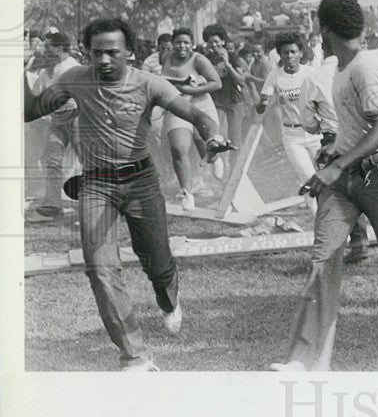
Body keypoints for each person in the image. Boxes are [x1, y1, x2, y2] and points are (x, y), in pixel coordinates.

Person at [24, 18, 230, 371]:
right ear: (86, 54)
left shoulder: (150, 84)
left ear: (130, 53)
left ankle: (169, 302)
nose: (103, 60)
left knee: (157, 260)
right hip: (95, 185)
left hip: (141, 182)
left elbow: (196, 114)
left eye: (112, 53)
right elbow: (31, 111)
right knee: (100, 267)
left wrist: (212, 137)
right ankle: (135, 355)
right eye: (96, 53)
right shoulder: (74, 79)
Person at [271, 0, 378, 370]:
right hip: (345, 175)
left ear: (325, 28)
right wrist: (333, 152)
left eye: (316, 26)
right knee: (323, 257)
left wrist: (338, 166)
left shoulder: (366, 66)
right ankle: (305, 357)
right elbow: (354, 130)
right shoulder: (341, 67)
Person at [300, 37, 370, 266]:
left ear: (322, 49)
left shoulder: (314, 77)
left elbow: (308, 122)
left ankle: (333, 250)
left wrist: (322, 123)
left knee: (332, 197)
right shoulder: (360, 70)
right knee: (361, 189)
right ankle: (360, 244)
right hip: (363, 138)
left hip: (333, 142)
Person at [255, 32, 321, 214]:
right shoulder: (275, 76)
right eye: (285, 53)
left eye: (293, 52)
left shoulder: (312, 74)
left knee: (327, 175)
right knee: (308, 178)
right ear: (280, 55)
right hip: (292, 135)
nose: (289, 56)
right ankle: (318, 219)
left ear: (300, 53)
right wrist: (262, 103)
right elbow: (262, 105)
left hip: (315, 132)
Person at [161, 27, 223, 210]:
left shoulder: (199, 59)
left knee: (204, 147)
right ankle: (187, 193)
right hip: (176, 106)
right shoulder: (164, 58)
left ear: (192, 44)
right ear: (173, 43)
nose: (182, 46)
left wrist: (191, 90)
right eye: (178, 42)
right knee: (178, 148)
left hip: (200, 105)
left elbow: (216, 83)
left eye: (186, 42)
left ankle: (214, 159)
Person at [31, 32, 81, 218]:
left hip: (78, 115)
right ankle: (53, 204)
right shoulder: (45, 72)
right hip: (58, 120)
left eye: (48, 46)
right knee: (52, 159)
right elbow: (38, 98)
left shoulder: (73, 67)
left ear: (60, 48)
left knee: (86, 159)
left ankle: (105, 199)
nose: (45, 50)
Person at [203, 24, 250, 151]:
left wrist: (228, 64)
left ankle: (236, 170)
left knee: (235, 141)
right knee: (219, 139)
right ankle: (222, 169)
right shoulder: (205, 60)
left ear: (223, 41)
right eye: (210, 42)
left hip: (234, 102)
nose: (213, 45)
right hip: (216, 103)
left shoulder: (233, 57)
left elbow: (241, 81)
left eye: (216, 41)